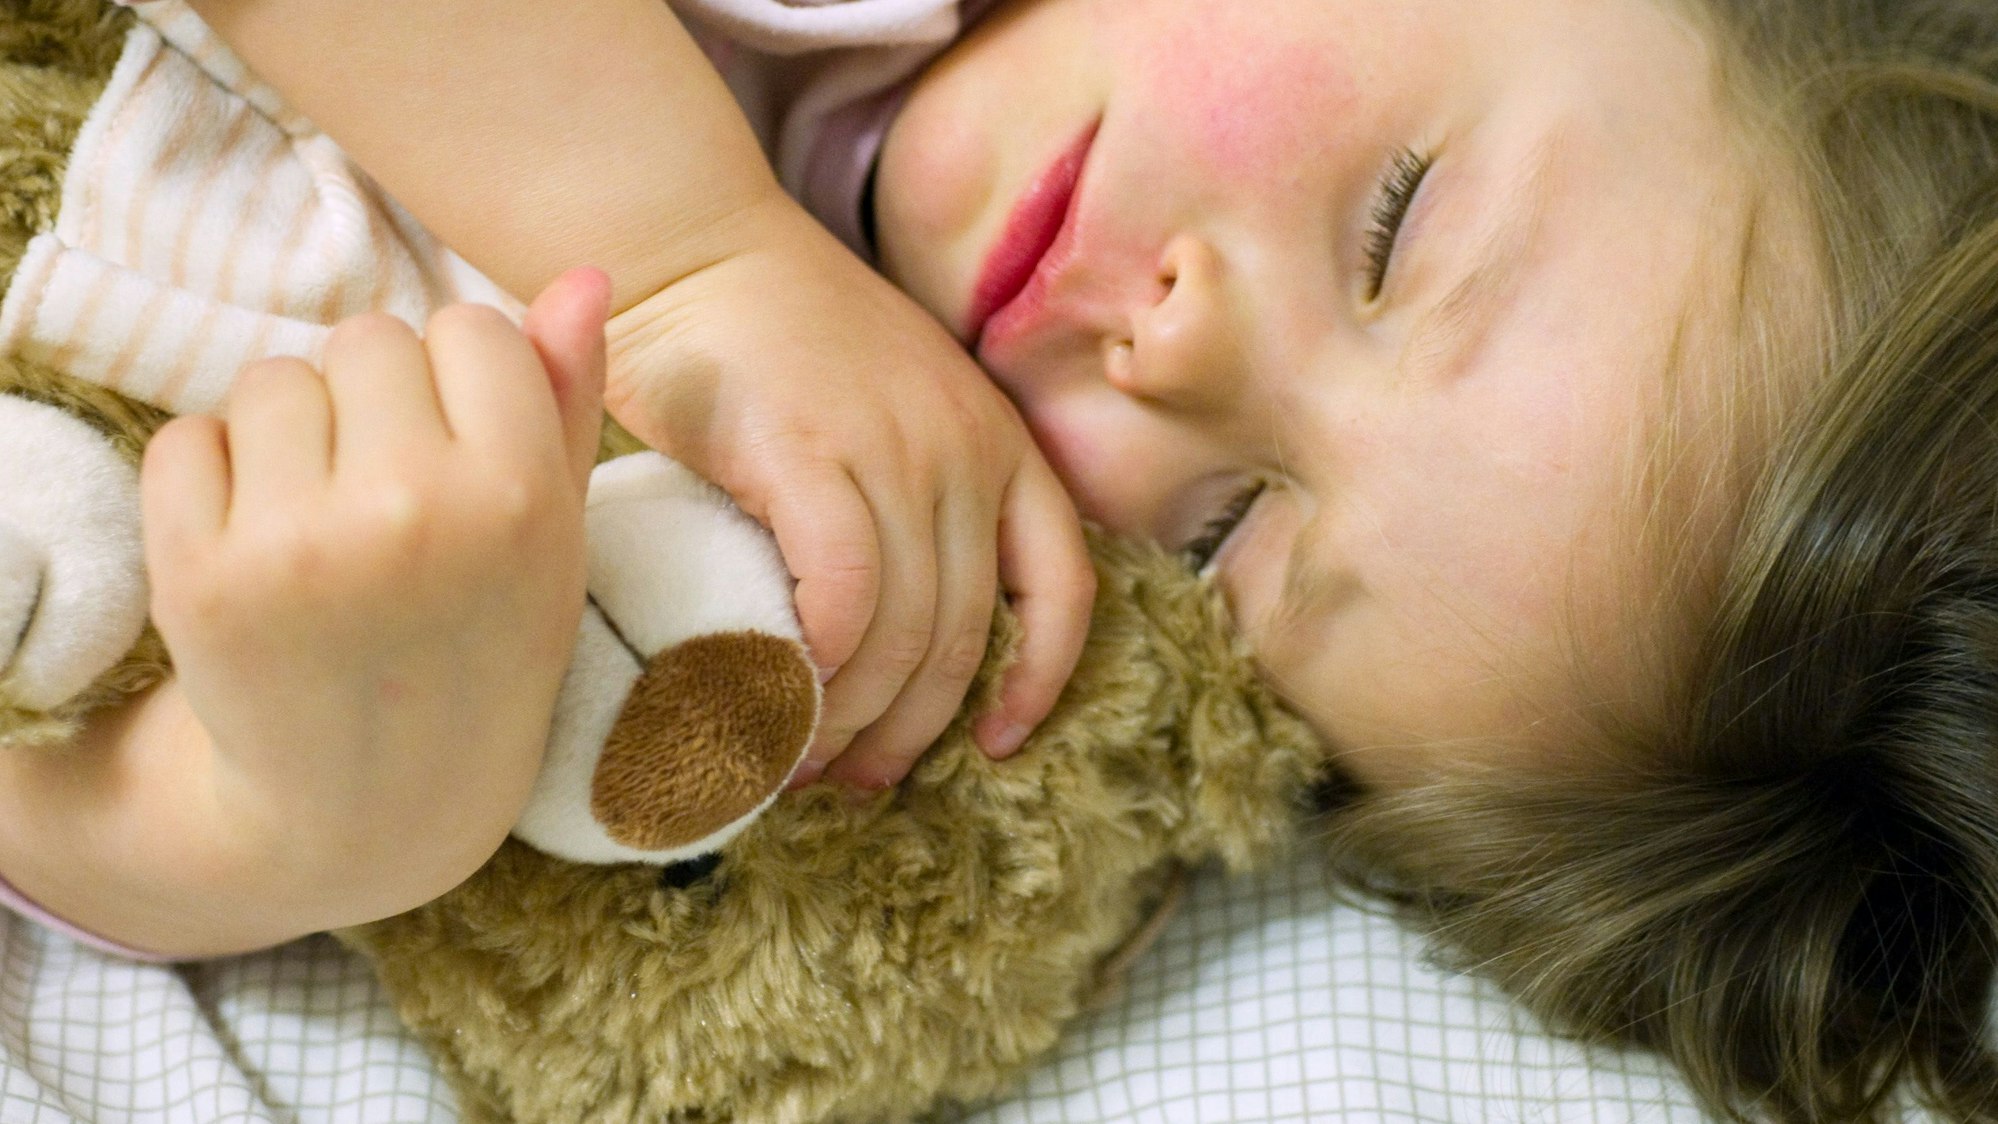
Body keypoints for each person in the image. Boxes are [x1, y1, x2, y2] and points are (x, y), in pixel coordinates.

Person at [5, 0, 1998, 1119]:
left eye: (1227, 531)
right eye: (1398, 222)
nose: (1179, 345)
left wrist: (272, 823)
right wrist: (691, 235)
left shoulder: (781, 566)